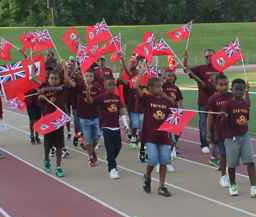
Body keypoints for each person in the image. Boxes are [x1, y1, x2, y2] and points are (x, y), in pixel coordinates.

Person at [219, 78, 256, 198]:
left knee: (250, 161)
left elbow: (245, 119)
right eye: (236, 89)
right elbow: (223, 122)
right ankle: (233, 184)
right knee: (232, 163)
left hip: (245, 136)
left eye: (241, 89)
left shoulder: (245, 104)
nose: (239, 92)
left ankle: (254, 186)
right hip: (232, 138)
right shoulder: (227, 104)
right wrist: (224, 117)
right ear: (232, 90)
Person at [134, 61, 174, 197]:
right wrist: (141, 72)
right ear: (150, 89)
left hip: (163, 136)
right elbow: (135, 87)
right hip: (150, 136)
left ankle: (161, 186)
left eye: (161, 86)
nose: (160, 89)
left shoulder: (164, 100)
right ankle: (147, 176)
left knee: (164, 160)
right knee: (152, 160)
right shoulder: (146, 99)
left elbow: (169, 117)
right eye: (157, 87)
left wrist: (170, 136)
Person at [63, 67, 104, 167]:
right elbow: (67, 79)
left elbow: (100, 101)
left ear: (93, 78)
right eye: (86, 76)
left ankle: (92, 150)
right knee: (87, 138)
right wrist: (65, 68)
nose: (88, 78)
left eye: (90, 76)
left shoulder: (96, 88)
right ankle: (90, 157)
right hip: (84, 117)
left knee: (97, 137)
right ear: (84, 77)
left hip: (95, 116)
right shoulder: (80, 87)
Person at [91, 76, 130, 178]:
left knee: (118, 146)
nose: (112, 87)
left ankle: (110, 158)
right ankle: (112, 169)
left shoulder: (117, 98)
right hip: (106, 126)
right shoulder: (101, 98)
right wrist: (87, 92)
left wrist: (125, 124)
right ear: (104, 86)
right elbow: (90, 101)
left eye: (113, 85)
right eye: (109, 85)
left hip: (116, 126)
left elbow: (121, 112)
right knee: (110, 148)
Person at [183, 49, 220, 154]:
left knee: (217, 123)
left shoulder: (219, 69)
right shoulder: (200, 68)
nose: (209, 58)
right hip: (204, 101)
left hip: (217, 102)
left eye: (211, 56)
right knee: (204, 123)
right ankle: (204, 144)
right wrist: (185, 58)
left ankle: (216, 142)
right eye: (207, 56)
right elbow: (186, 70)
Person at [35, 70, 67, 177]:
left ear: (59, 80)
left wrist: (43, 90)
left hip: (58, 121)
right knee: (48, 145)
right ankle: (47, 159)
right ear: (48, 80)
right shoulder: (44, 92)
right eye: (51, 79)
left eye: (55, 79)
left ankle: (58, 167)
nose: (53, 81)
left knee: (59, 145)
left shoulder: (61, 89)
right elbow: (39, 98)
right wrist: (41, 96)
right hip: (48, 122)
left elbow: (58, 88)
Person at [206, 74, 233, 188]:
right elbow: (210, 116)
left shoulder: (232, 96)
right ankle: (223, 176)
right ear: (215, 86)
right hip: (220, 130)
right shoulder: (213, 99)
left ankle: (231, 174)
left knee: (232, 154)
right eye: (221, 85)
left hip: (232, 130)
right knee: (222, 153)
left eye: (226, 84)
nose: (224, 87)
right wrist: (208, 131)